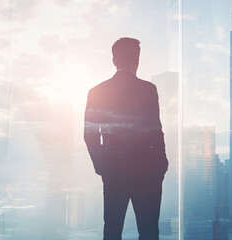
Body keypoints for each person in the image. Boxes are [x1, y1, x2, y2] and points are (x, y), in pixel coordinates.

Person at [84, 37, 168, 240]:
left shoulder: (97, 91)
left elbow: (90, 134)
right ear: (137, 59)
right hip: (147, 171)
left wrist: (102, 165)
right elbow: (155, 130)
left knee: (112, 230)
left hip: (114, 171)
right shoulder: (148, 89)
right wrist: (160, 164)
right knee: (148, 231)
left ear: (114, 61)